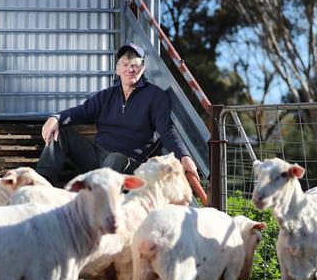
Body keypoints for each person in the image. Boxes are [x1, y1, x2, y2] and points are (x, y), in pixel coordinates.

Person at [36, 42, 198, 186]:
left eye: (135, 64)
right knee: (61, 132)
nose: (130, 69)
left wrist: (184, 156)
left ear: (143, 68)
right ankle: (42, 185)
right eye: (125, 64)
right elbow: (81, 111)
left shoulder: (156, 96)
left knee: (117, 158)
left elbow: (167, 131)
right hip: (97, 157)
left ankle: (94, 201)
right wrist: (55, 118)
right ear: (117, 70)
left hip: (128, 165)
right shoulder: (107, 95)